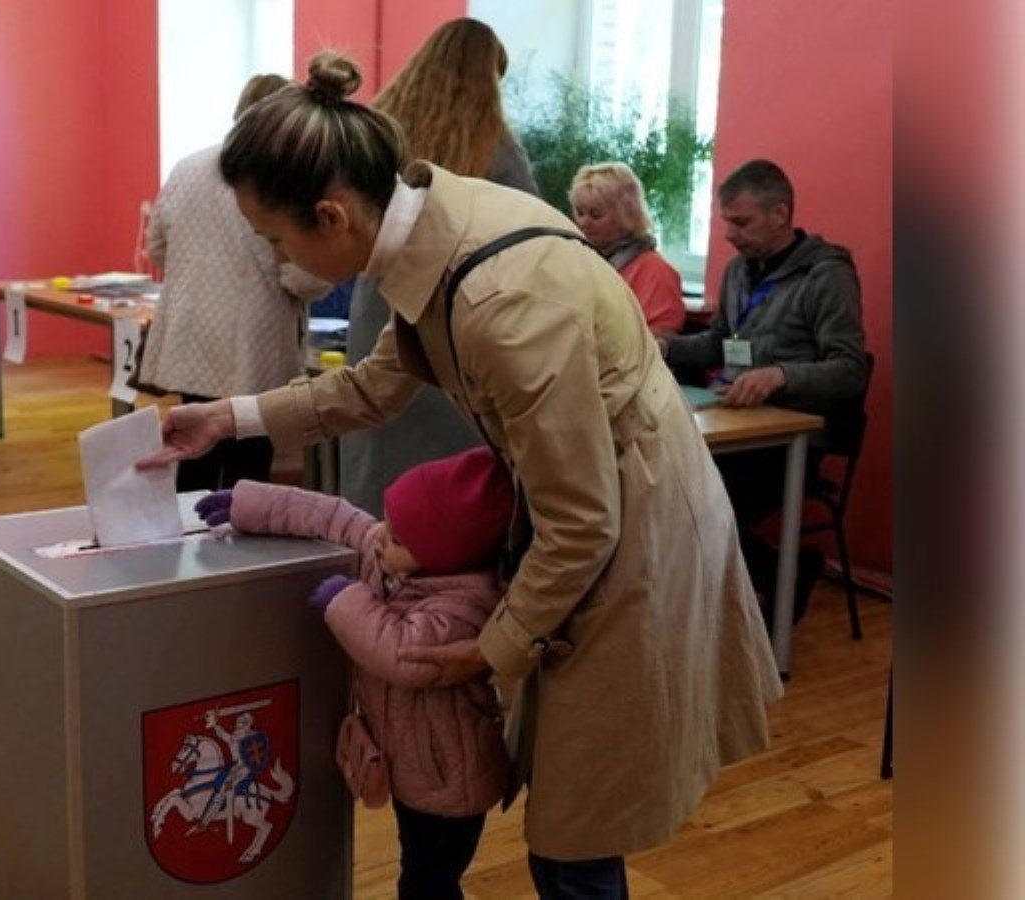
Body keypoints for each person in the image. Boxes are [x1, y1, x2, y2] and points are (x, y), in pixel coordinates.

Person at [139, 54, 782, 898]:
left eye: (273, 238)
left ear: (330, 216)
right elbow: (376, 383)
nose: (274, 254)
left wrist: (488, 649)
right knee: (567, 809)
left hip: (638, 535)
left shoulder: (502, 304)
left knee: (575, 826)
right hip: (593, 515)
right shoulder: (435, 226)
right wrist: (231, 416)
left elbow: (584, 522)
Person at [196, 447, 515, 899]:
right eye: (387, 521)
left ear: (445, 557)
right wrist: (252, 505)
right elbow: (336, 517)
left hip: (450, 787)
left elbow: (402, 653)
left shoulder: (465, 607)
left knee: (429, 879)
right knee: (418, 868)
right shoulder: (399, 558)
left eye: (399, 538)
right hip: (416, 768)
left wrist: (344, 601)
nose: (381, 537)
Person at [340, 17, 539, 516]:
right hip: (456, 321)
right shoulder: (496, 150)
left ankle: (369, 558)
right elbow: (527, 240)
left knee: (373, 438)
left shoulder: (380, 129)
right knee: (446, 476)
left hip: (379, 306)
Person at [662, 159, 869, 621]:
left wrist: (782, 375)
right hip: (738, 421)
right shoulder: (738, 271)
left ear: (780, 214)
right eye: (725, 222)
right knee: (662, 477)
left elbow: (850, 369)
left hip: (793, 437)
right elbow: (718, 341)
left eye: (741, 222)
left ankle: (780, 573)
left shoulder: (827, 275)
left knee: (697, 494)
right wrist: (664, 348)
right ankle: (774, 572)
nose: (730, 234)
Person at [136, 74, 327, 491]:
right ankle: (238, 550)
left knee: (192, 453)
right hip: (252, 345)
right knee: (249, 465)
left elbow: (157, 247)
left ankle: (184, 544)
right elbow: (302, 276)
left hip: (190, 335)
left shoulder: (188, 166)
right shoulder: (279, 178)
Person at [570, 162, 686, 337]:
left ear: (626, 215)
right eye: (579, 213)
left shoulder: (656, 272)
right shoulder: (581, 259)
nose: (584, 223)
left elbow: (660, 340)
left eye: (596, 215)